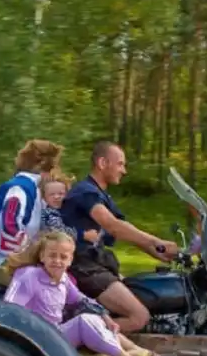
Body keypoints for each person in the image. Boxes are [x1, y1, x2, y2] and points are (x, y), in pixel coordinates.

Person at [2, 231, 175, 356]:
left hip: (55, 336)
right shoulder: (28, 276)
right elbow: (9, 310)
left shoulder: (63, 280)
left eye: (63, 257)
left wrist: (106, 317)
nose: (57, 261)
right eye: (52, 255)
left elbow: (83, 300)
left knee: (94, 319)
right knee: (84, 321)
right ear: (42, 256)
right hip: (34, 341)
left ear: (70, 260)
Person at [61, 141, 180, 333]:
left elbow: (125, 228)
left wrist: (163, 252)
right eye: (120, 164)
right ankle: (75, 335)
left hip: (96, 264)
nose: (124, 170)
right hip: (82, 266)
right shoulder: (85, 192)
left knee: (141, 293)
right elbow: (112, 225)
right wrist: (156, 242)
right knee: (138, 317)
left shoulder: (101, 195)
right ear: (102, 163)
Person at [0, 139, 64, 288]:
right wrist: (35, 254)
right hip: (1, 263)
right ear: (44, 166)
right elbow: (8, 228)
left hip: (20, 260)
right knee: (49, 289)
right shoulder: (19, 189)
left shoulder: (37, 190)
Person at [39, 171, 101, 244]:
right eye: (52, 194)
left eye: (61, 193)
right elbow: (60, 231)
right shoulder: (49, 214)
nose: (56, 197)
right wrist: (84, 235)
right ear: (44, 197)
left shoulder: (64, 211)